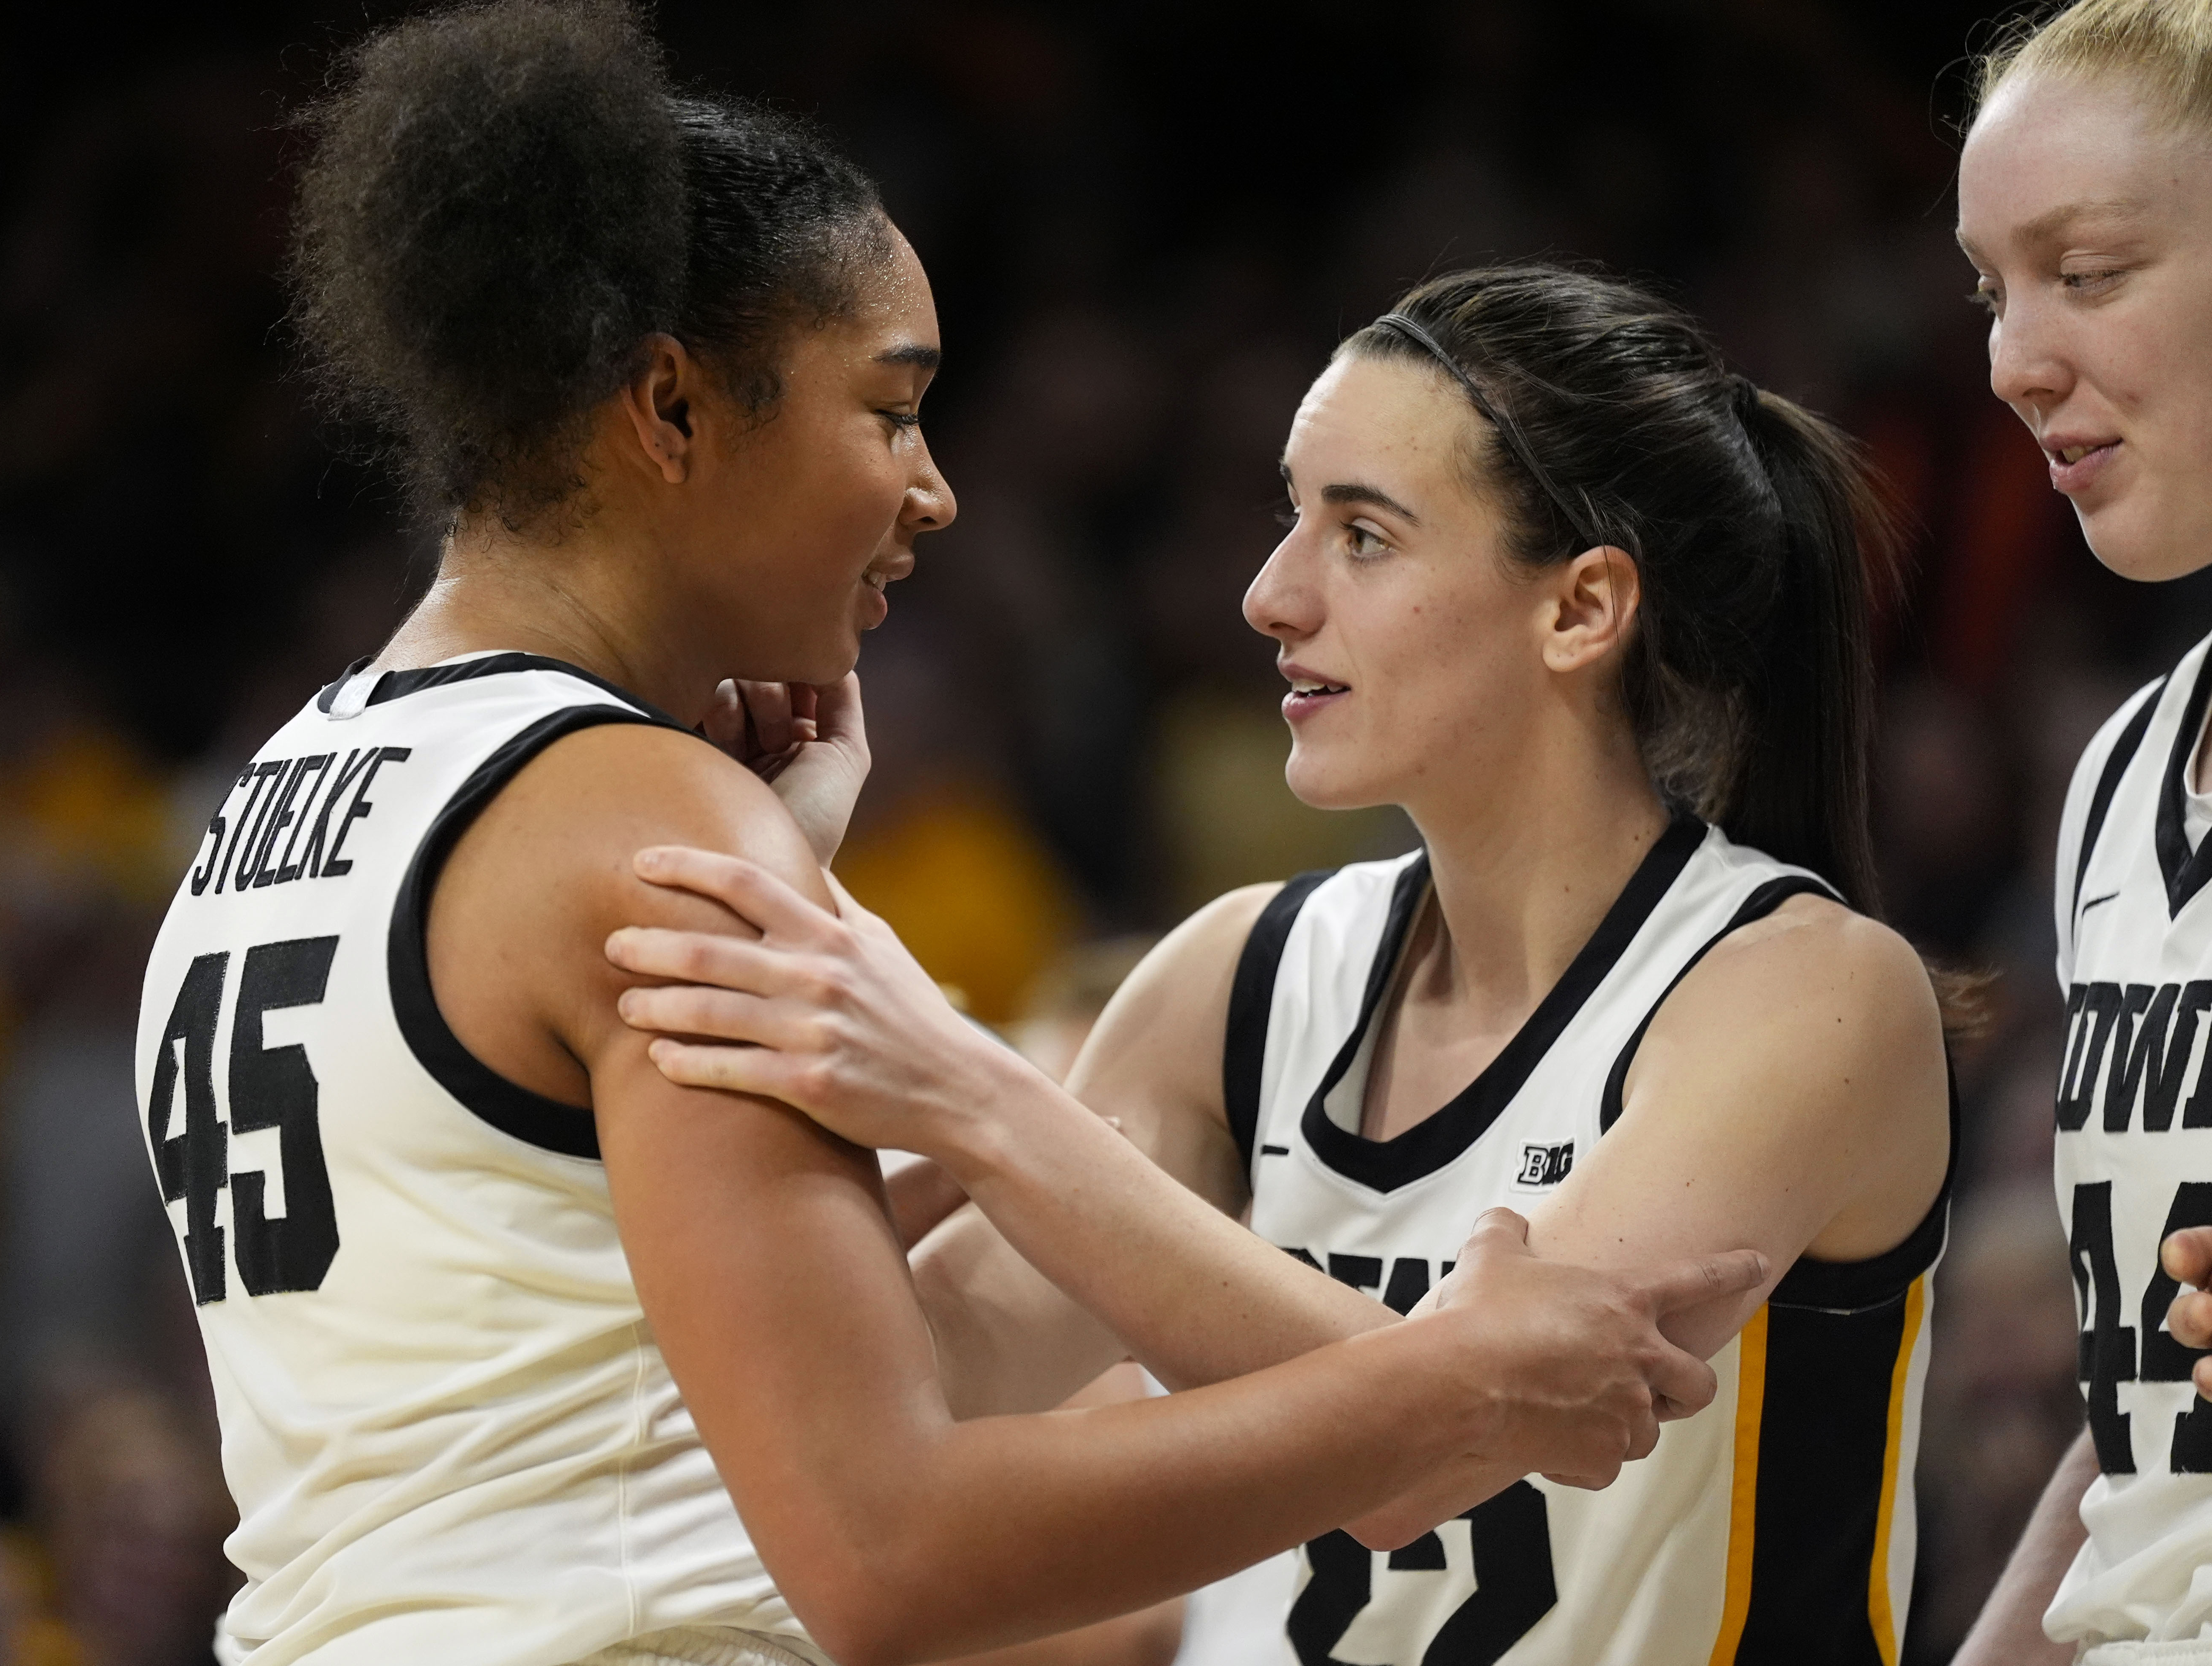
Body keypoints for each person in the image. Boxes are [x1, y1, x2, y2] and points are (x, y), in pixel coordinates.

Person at [133, 6, 1762, 1666]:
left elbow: (555, 1345)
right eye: (891, 411)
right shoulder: (643, 824)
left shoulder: (269, 805)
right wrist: (1442, 1384)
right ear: (673, 411)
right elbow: (886, 1554)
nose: (935, 492)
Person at [606, 265, 1958, 1663]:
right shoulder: (1233, 982)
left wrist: (970, 1092)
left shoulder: (1802, 990)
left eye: (1363, 535)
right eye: (1290, 516)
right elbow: (918, 1392)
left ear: (1580, 608)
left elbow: (1459, 1453)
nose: (1270, 595)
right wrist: (770, 875)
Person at [1953, 3, 2212, 1661]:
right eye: (1989, 288)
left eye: (2084, 272)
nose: (2008, 357)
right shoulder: (2124, 769)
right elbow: (2142, 1422)